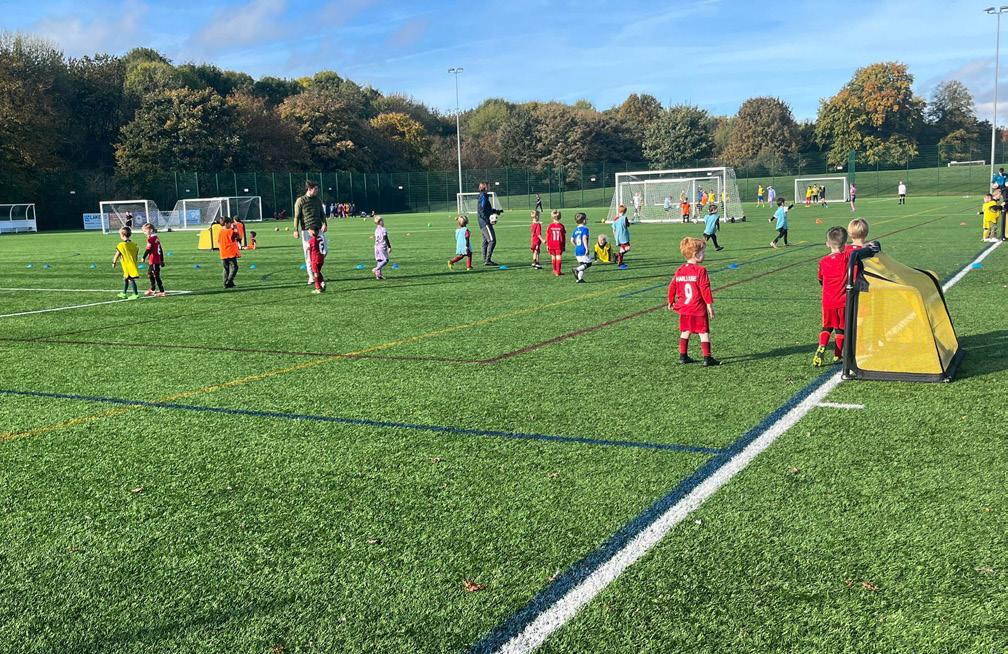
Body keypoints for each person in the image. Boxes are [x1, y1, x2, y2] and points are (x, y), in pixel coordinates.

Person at [668, 236, 718, 366]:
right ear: (696, 254)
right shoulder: (701, 270)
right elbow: (705, 288)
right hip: (698, 308)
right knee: (703, 332)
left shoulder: (680, 270)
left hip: (684, 307)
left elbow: (672, 285)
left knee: (685, 331)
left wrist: (671, 300)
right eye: (703, 252)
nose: (704, 254)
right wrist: (709, 305)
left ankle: (683, 356)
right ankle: (707, 358)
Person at [813, 226, 851, 367]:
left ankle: (822, 345)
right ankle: (837, 355)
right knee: (841, 329)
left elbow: (820, 280)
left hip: (827, 301)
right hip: (842, 302)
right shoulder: (846, 258)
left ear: (827, 244)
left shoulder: (823, 261)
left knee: (827, 326)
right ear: (845, 243)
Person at [293, 182, 327, 285]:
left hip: (318, 229)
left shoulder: (317, 200)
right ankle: (311, 276)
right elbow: (297, 216)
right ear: (309, 189)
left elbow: (322, 213)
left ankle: (317, 272)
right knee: (308, 254)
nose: (317, 191)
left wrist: (325, 224)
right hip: (307, 231)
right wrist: (295, 230)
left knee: (324, 251)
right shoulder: (300, 200)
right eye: (315, 189)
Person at [112, 226, 140, 299]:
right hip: (133, 264)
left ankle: (135, 294)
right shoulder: (134, 244)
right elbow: (136, 254)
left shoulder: (121, 245)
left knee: (131, 279)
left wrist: (114, 262)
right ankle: (124, 293)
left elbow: (117, 254)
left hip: (127, 265)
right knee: (126, 278)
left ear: (123, 235)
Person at [476, 182, 499, 266]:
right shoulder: (483, 196)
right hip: (484, 222)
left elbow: (486, 209)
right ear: (485, 187)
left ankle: (486, 259)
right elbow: (481, 210)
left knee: (485, 241)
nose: (489, 187)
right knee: (492, 241)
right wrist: (487, 220)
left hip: (482, 221)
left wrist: (495, 211)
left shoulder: (484, 196)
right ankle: (487, 260)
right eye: (488, 186)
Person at [140, 223, 166, 297]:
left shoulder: (151, 239)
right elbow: (160, 249)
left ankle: (162, 291)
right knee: (150, 274)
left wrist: (143, 257)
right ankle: (152, 289)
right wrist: (162, 260)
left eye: (145, 231)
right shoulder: (156, 238)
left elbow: (148, 249)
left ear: (151, 230)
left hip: (154, 260)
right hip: (155, 260)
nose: (144, 233)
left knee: (156, 275)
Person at [219, 216, 240, 288]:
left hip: (223, 253)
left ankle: (226, 283)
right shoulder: (230, 231)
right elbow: (238, 236)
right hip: (230, 252)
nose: (230, 224)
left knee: (226, 269)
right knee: (234, 267)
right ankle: (229, 281)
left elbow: (219, 241)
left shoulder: (220, 232)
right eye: (229, 223)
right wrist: (235, 228)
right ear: (226, 223)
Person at [571, 212, 591, 283]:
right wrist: (586, 248)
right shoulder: (585, 229)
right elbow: (584, 238)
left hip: (577, 249)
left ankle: (579, 279)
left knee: (582, 264)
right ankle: (576, 270)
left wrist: (576, 246)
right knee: (588, 264)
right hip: (583, 249)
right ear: (584, 221)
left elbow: (571, 240)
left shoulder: (575, 230)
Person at [546, 209, 566, 276]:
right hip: (559, 244)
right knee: (558, 257)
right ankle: (558, 271)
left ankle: (554, 270)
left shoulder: (550, 226)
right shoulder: (561, 226)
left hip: (551, 244)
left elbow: (548, 236)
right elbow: (563, 237)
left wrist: (547, 245)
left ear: (552, 217)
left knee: (553, 257)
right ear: (560, 217)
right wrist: (564, 245)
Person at [611, 204, 631, 269]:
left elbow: (613, 228)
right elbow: (628, 225)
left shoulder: (615, 218)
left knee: (622, 249)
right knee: (627, 248)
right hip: (624, 237)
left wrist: (615, 236)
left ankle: (618, 258)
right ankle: (619, 261)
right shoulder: (624, 218)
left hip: (618, 237)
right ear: (625, 211)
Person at [373, 215, 390, 280]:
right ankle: (376, 269)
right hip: (382, 246)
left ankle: (378, 275)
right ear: (380, 222)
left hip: (376, 246)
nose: (383, 222)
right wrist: (389, 247)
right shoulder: (383, 229)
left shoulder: (376, 229)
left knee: (379, 260)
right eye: (382, 221)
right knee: (386, 260)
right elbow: (385, 238)